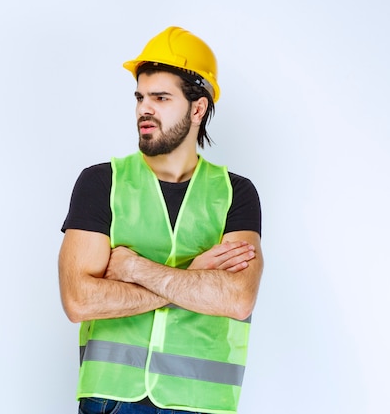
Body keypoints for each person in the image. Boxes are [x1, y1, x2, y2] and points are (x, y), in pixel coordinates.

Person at [58, 26, 264, 414]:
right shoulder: (102, 182)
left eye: (160, 98)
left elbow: (237, 299)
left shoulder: (236, 193)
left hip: (202, 404)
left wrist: (133, 267)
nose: (143, 109)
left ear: (198, 108)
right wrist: (195, 278)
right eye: (140, 97)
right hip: (112, 401)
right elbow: (78, 300)